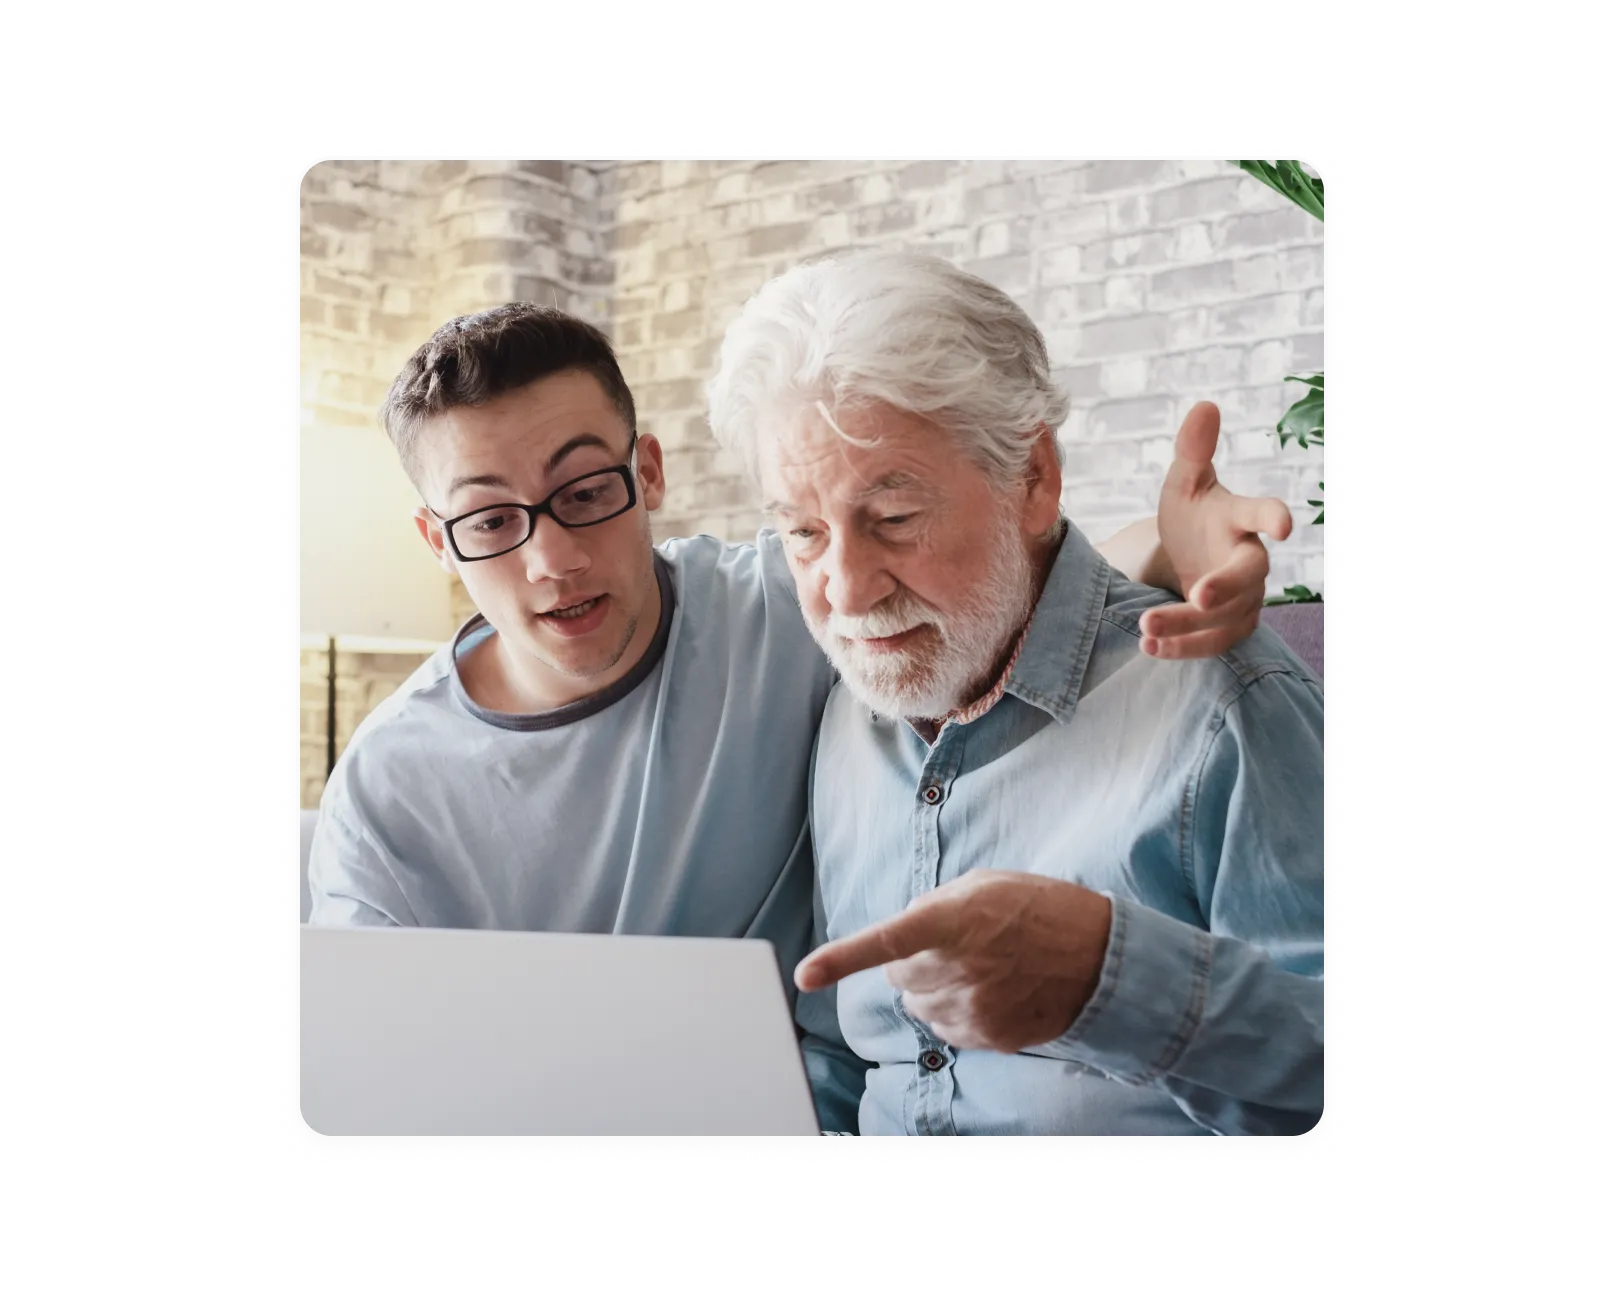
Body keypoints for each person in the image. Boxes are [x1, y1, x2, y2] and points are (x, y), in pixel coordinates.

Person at [307, 301, 1293, 1010]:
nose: (551, 559)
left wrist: (1170, 551)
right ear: (437, 541)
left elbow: (989, 588)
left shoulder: (790, 600)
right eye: (487, 519)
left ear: (645, 473)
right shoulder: (389, 793)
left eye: (583, 493)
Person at [705, 250, 1325, 1136]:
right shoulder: (848, 715)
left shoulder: (1223, 705)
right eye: (802, 532)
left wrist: (1116, 981)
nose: (846, 591)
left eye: (894, 518)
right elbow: (853, 1060)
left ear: (1032, 478)